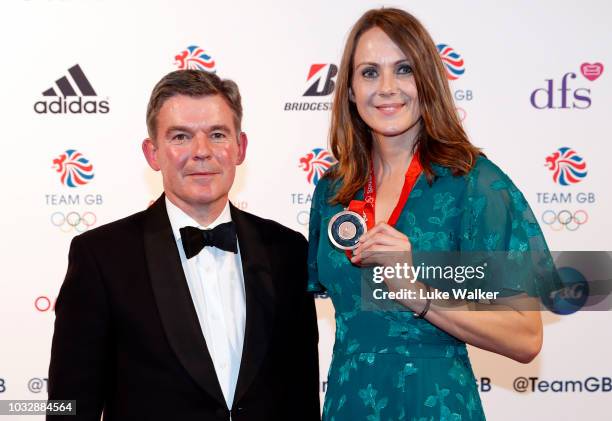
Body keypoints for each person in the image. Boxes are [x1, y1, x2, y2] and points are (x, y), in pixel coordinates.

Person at [308, 8, 555, 420]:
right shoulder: (333, 190)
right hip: (349, 404)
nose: (387, 88)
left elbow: (525, 337)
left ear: (427, 80)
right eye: (369, 73)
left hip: (435, 403)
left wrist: (417, 293)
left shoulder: (474, 184)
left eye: (403, 69)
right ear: (349, 90)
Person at [48, 70, 321, 421]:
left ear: (240, 147)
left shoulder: (288, 250)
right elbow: (69, 408)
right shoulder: (102, 257)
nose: (202, 152)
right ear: (153, 153)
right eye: (181, 136)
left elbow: (301, 397)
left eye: (218, 134)